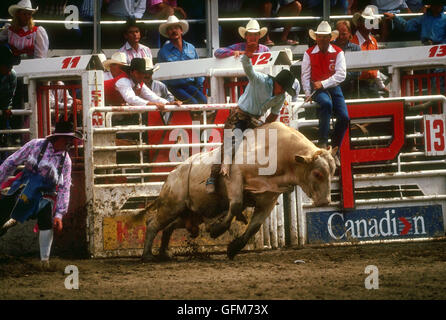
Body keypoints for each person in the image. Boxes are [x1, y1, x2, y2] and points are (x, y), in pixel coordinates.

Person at [205, 47, 296, 194]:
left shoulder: (280, 97)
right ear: (277, 83)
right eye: (283, 88)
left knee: (268, 144)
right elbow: (249, 70)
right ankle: (212, 177)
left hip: (254, 119)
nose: (283, 91)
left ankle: (263, 179)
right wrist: (246, 57)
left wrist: (265, 127)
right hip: (239, 116)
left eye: (285, 89)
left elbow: (273, 114)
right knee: (232, 144)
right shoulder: (260, 80)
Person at [0, 117, 82, 269]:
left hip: (44, 195)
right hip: (24, 187)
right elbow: (11, 162)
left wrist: (59, 215)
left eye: (71, 140)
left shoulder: (66, 160)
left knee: (46, 214)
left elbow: (64, 188)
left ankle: (45, 261)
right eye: (68, 139)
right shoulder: (36, 145)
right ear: (59, 137)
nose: (70, 143)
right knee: (2, 214)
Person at [301, 21, 349, 165]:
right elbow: (305, 75)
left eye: (325, 37)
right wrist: (308, 92)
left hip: (331, 87)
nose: (322, 39)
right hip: (317, 88)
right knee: (326, 103)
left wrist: (323, 83)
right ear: (316, 38)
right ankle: (322, 143)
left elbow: (342, 74)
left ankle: (335, 148)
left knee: (345, 117)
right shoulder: (309, 53)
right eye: (319, 37)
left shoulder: (338, 52)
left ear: (330, 38)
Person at [157, 15, 207, 104]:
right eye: (170, 29)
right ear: (167, 33)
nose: (174, 31)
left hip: (190, 85)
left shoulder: (191, 47)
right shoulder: (163, 52)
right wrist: (167, 95)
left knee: (203, 100)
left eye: (176, 28)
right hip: (174, 87)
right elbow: (161, 77)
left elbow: (198, 69)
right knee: (193, 103)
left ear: (181, 31)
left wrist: (201, 88)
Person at [105, 57, 176, 109]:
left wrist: (168, 103)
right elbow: (131, 98)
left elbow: (152, 96)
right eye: (138, 73)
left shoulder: (139, 83)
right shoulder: (123, 81)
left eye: (143, 73)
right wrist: (154, 104)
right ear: (132, 72)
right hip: (98, 101)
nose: (142, 76)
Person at [351, 5, 389, 98]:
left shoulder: (373, 41)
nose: (369, 24)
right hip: (357, 86)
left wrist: (381, 86)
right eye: (367, 21)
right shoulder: (352, 42)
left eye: (371, 21)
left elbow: (375, 69)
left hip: (372, 85)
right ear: (360, 23)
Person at [0, 45, 20, 164]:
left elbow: (10, 94)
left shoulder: (12, 75)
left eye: (11, 65)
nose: (9, 68)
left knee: (4, 139)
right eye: (7, 65)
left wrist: (7, 107)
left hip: (3, 111)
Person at [332, 20, 361, 99]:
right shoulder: (330, 47)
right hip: (332, 86)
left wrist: (340, 76)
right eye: (339, 34)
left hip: (350, 88)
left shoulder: (355, 48)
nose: (341, 37)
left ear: (349, 33)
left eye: (344, 34)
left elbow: (358, 72)